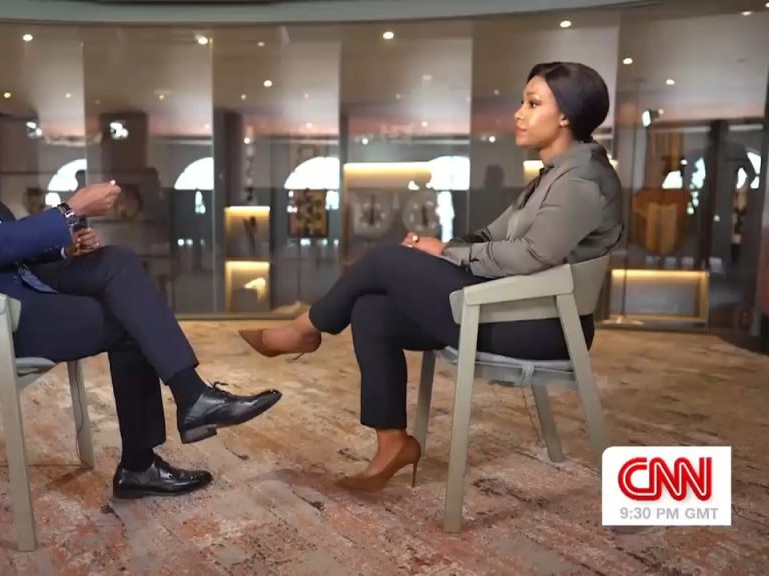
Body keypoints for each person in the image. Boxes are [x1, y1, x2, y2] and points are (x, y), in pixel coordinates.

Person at [0, 60, 281, 500]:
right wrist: (69, 210)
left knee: (117, 262)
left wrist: (64, 249)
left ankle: (190, 400)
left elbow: (1, 240)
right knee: (128, 320)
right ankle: (148, 456)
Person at [239, 61, 622, 492]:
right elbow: (491, 237)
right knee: (371, 309)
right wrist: (438, 247)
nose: (518, 113)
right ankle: (393, 443)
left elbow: (532, 255)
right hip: (517, 307)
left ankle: (304, 330)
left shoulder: (580, 181)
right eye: (522, 102)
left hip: (543, 326)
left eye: (532, 104)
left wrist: (445, 253)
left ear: (566, 114)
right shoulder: (555, 175)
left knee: (384, 259)